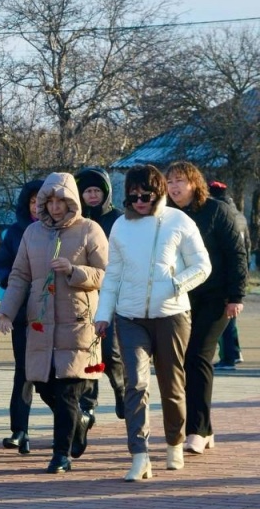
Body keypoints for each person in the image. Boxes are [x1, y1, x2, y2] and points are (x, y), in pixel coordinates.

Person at [93, 164, 211, 481]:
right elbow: (113, 273)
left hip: (171, 315)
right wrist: (103, 314)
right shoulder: (119, 227)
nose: (140, 201)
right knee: (136, 383)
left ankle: (174, 442)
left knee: (171, 386)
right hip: (130, 317)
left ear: (158, 193)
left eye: (146, 195)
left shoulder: (178, 221)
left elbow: (203, 265)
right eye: (133, 196)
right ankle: (139, 455)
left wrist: (175, 284)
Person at [0, 173, 109, 474]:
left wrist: (74, 271)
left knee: (69, 390)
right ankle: (79, 421)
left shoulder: (89, 230)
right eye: (50, 201)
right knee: (44, 386)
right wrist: (5, 312)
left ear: (72, 201)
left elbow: (106, 275)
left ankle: (61, 455)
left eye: (62, 201)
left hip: (78, 323)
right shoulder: (32, 234)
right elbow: (18, 275)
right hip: (41, 323)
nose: (56, 207)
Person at [164, 162, 248, 455]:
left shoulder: (217, 211)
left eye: (180, 181)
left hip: (217, 298)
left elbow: (237, 254)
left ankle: (196, 431)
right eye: (170, 182)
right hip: (182, 297)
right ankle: (207, 428)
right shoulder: (167, 214)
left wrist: (237, 295)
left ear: (194, 183)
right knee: (185, 360)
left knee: (198, 355)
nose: (175, 187)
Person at [0, 178, 43, 454]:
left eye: (42, 201)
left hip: (51, 312)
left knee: (51, 377)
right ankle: (19, 430)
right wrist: (7, 281)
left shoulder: (60, 230)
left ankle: (72, 420)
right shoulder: (15, 232)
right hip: (21, 311)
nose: (37, 206)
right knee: (22, 372)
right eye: (32, 201)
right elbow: (2, 263)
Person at [74, 167, 127, 423]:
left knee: (110, 351)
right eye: (87, 191)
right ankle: (88, 403)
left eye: (96, 190)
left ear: (106, 192)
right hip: (84, 295)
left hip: (113, 293)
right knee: (88, 350)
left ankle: (121, 389)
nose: (92, 196)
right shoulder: (77, 222)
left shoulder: (118, 218)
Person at [208, 180, 249, 371]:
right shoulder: (238, 215)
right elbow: (246, 246)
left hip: (222, 274)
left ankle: (229, 356)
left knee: (223, 317)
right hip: (237, 270)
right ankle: (235, 351)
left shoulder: (217, 212)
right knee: (231, 318)